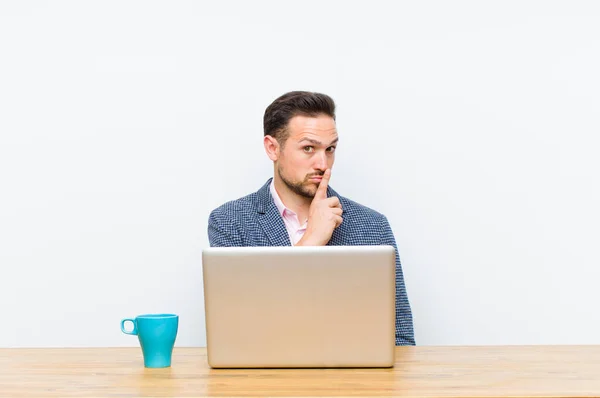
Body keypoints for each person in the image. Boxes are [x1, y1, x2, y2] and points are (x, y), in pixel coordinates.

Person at [207, 91, 415, 345]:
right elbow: (235, 331)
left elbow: (400, 337)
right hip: (262, 381)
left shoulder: (372, 225)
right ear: (273, 148)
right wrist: (311, 240)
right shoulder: (230, 222)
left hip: (354, 382)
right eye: (308, 148)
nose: (323, 163)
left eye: (330, 149)